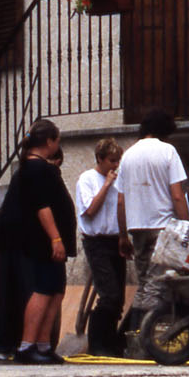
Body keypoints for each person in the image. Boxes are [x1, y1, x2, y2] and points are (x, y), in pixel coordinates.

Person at [116, 108, 189, 332]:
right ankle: (151, 337)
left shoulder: (128, 155)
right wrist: (187, 228)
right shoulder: (167, 151)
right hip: (162, 227)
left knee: (145, 283)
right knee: (159, 285)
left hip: (137, 228)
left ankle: (135, 335)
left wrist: (122, 235)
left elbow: (120, 201)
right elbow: (177, 194)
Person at [10, 119, 76, 364]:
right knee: (43, 290)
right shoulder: (36, 169)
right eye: (56, 141)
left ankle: (44, 344)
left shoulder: (40, 168)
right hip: (43, 240)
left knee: (56, 291)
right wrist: (56, 238)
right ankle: (27, 345)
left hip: (49, 241)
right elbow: (42, 206)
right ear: (49, 142)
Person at [75, 138, 125, 356]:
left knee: (118, 297)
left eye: (118, 161)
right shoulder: (87, 179)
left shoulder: (119, 180)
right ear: (100, 159)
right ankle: (97, 343)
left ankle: (110, 342)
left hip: (115, 239)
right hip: (96, 241)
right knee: (108, 293)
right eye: (112, 161)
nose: (115, 165)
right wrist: (106, 185)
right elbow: (90, 210)